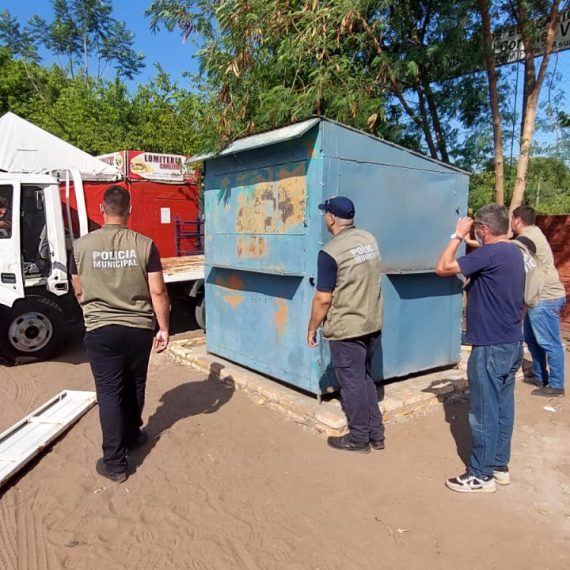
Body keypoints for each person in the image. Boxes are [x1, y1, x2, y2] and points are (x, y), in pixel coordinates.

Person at [71, 186, 170, 483]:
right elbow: (158, 291)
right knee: (135, 382)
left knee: (109, 392)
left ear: (102, 208)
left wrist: (93, 310)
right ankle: (132, 435)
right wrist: (163, 327)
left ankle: (114, 463)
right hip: (138, 328)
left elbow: (78, 289)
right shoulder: (145, 245)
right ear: (130, 210)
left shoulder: (80, 246)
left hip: (101, 329)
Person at [435, 204, 524, 493]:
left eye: (477, 230)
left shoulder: (488, 254)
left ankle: (480, 475)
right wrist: (471, 239)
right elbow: (486, 254)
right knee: (502, 408)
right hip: (512, 342)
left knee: (483, 410)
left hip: (490, 345)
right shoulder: (512, 251)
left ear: (484, 230)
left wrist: (456, 236)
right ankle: (498, 466)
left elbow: (443, 267)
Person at [307, 196, 384, 454]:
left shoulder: (330, 252)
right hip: (372, 322)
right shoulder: (369, 239)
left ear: (331, 218)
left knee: (352, 384)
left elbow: (323, 298)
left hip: (348, 328)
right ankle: (376, 434)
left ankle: (359, 438)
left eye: (325, 214)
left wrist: (312, 327)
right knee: (364, 377)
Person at [511, 205, 566, 398]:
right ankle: (540, 376)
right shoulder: (533, 233)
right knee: (532, 339)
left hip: (545, 297)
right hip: (537, 298)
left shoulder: (527, 238)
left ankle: (557, 385)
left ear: (517, 220)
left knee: (549, 343)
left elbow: (504, 249)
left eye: (511, 219)